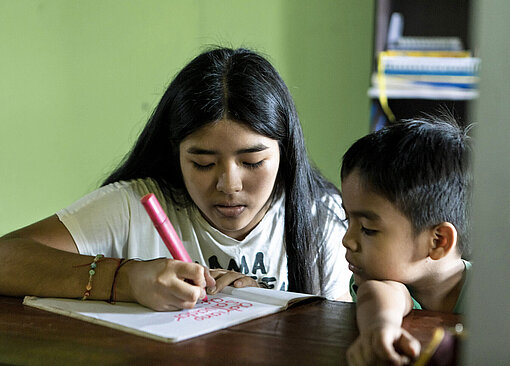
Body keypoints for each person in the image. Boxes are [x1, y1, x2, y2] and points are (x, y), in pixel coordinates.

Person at [0, 47, 350, 311]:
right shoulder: (134, 206)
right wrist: (126, 279)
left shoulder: (321, 215)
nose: (229, 185)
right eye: (202, 163)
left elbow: (335, 337)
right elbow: (6, 258)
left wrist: (266, 306)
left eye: (253, 161)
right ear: (176, 153)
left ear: (285, 153)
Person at [340, 116, 472, 365]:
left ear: (438, 241)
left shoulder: (494, 292)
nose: (347, 240)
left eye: (368, 229)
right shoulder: (386, 283)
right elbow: (379, 296)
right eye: (346, 219)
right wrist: (380, 327)